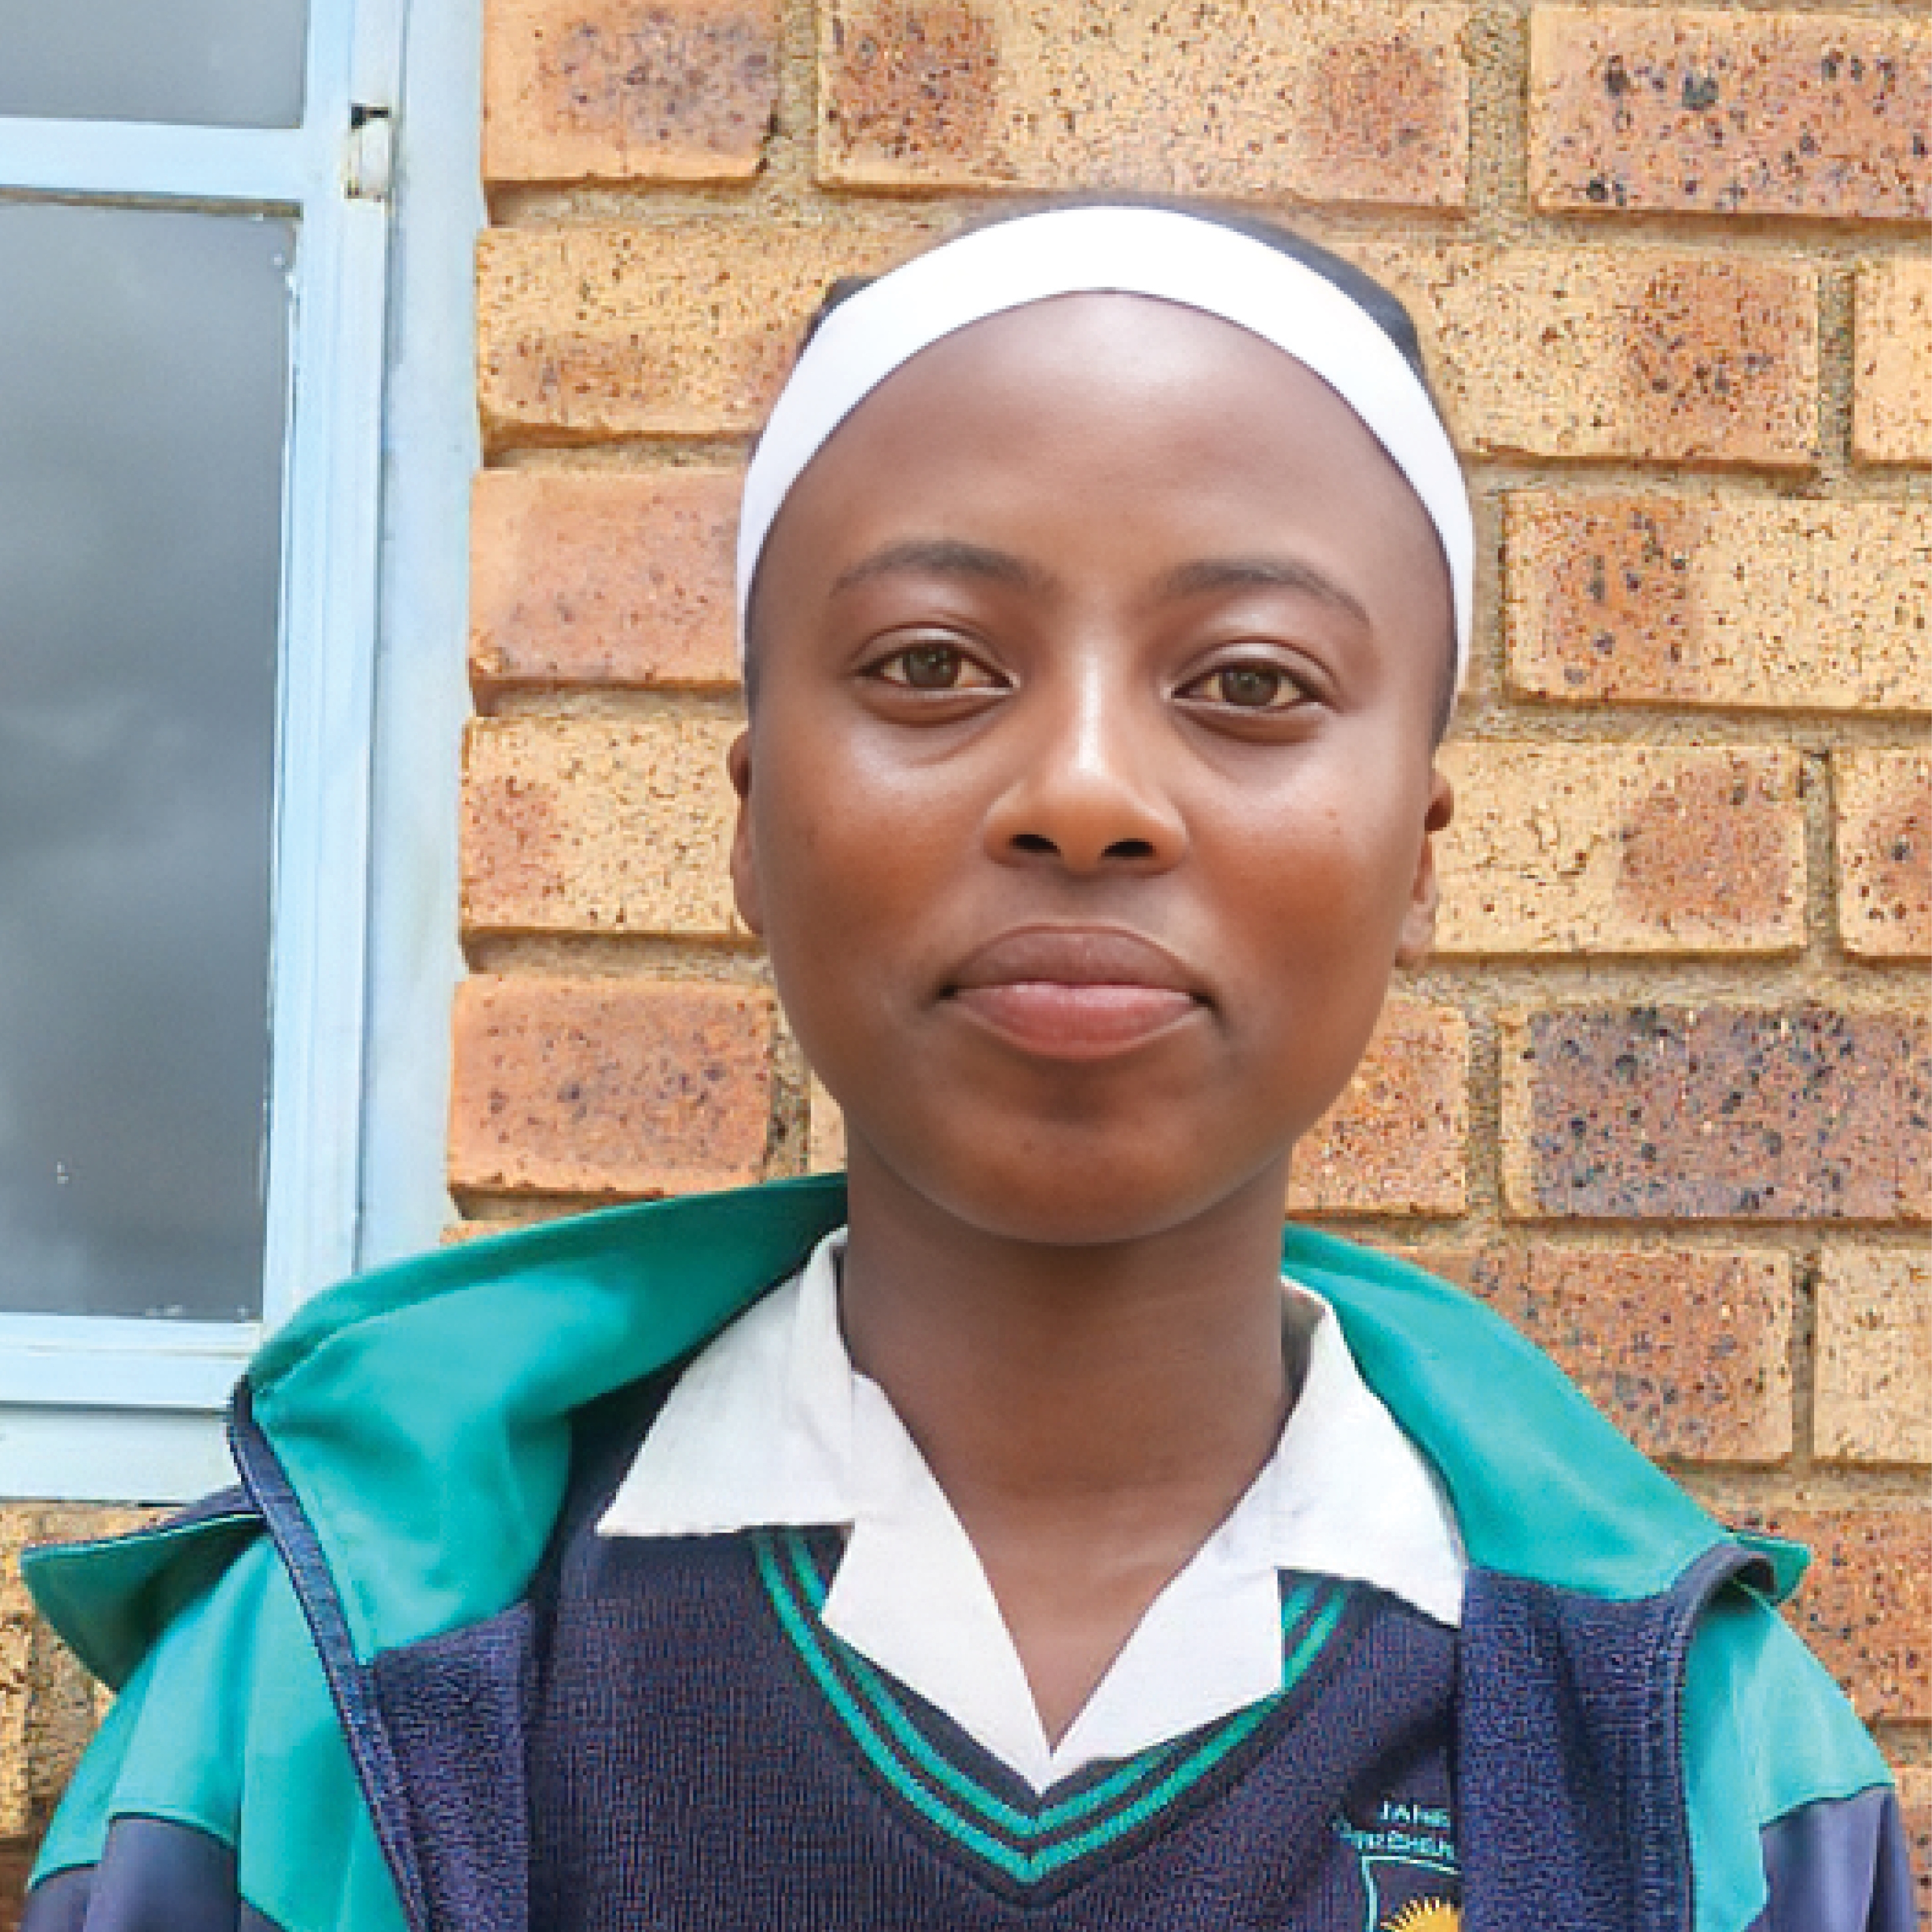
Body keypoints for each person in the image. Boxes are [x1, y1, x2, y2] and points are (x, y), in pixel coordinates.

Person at [20, 206, 1914, 1932]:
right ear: (752, 822)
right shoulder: (325, 1695)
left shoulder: (1701, 1776)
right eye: (931, 665)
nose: (1083, 791)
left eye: (1252, 683)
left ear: (1419, 851)